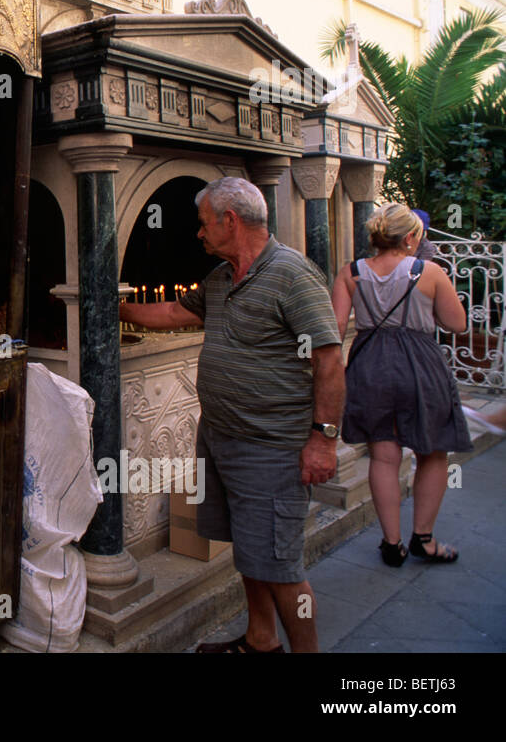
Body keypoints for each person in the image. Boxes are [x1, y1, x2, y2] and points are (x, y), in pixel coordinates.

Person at [119, 177, 345, 653]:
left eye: (203, 224)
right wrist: (113, 306)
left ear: (230, 220)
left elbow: (328, 358)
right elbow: (175, 313)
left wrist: (323, 439)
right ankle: (261, 639)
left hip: (272, 447)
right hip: (223, 438)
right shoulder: (222, 279)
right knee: (249, 549)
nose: (198, 234)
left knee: (282, 567)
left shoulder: (291, 274)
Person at [330, 202, 470, 566]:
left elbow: (335, 328)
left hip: (369, 365)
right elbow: (458, 324)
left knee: (383, 454)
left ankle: (391, 544)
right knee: (433, 450)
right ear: (410, 237)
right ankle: (423, 539)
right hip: (420, 364)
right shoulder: (431, 271)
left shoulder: (351, 272)